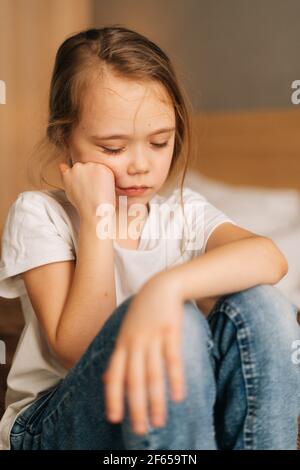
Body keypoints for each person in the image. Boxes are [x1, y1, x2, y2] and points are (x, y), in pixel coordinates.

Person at [0, 26, 299, 450]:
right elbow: (77, 349)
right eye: (113, 148)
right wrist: (98, 217)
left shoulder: (183, 210)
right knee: (177, 324)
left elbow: (270, 259)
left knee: (264, 303)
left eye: (159, 142)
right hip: (51, 423)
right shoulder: (40, 214)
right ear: (64, 138)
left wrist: (165, 288)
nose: (141, 165)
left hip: (173, 406)